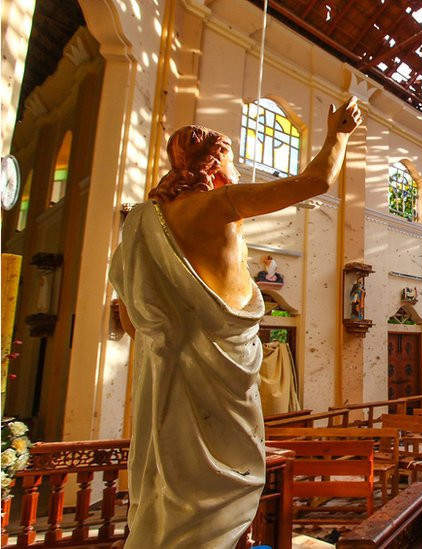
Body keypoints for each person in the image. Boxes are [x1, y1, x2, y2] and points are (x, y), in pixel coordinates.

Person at [110, 98, 362, 547]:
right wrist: (338, 134)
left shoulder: (142, 222)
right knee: (227, 475)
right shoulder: (219, 204)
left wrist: (175, 341)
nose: (237, 165)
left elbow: (132, 319)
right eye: (230, 156)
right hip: (223, 368)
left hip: (170, 371)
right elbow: (316, 180)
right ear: (211, 162)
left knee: (175, 478)